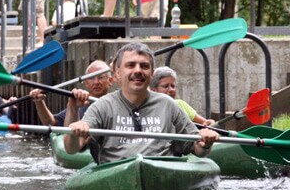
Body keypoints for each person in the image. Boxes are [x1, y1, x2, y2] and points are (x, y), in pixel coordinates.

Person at [64, 42, 218, 164]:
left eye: (144, 66)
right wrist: (74, 132)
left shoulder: (168, 105)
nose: (138, 71)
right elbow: (71, 149)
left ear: (151, 74)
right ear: (117, 73)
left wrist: (205, 143)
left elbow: (197, 149)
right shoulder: (102, 106)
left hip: (162, 171)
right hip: (115, 173)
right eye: (130, 65)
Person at [29, 60, 112, 126]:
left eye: (101, 77)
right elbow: (51, 122)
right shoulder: (80, 104)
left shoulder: (117, 103)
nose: (96, 82)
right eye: (92, 78)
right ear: (86, 83)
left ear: (110, 81)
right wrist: (39, 102)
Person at [149, 67, 214, 126]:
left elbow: (205, 123)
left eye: (173, 86)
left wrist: (210, 123)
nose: (171, 90)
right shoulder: (149, 110)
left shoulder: (180, 104)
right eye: (165, 86)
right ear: (154, 90)